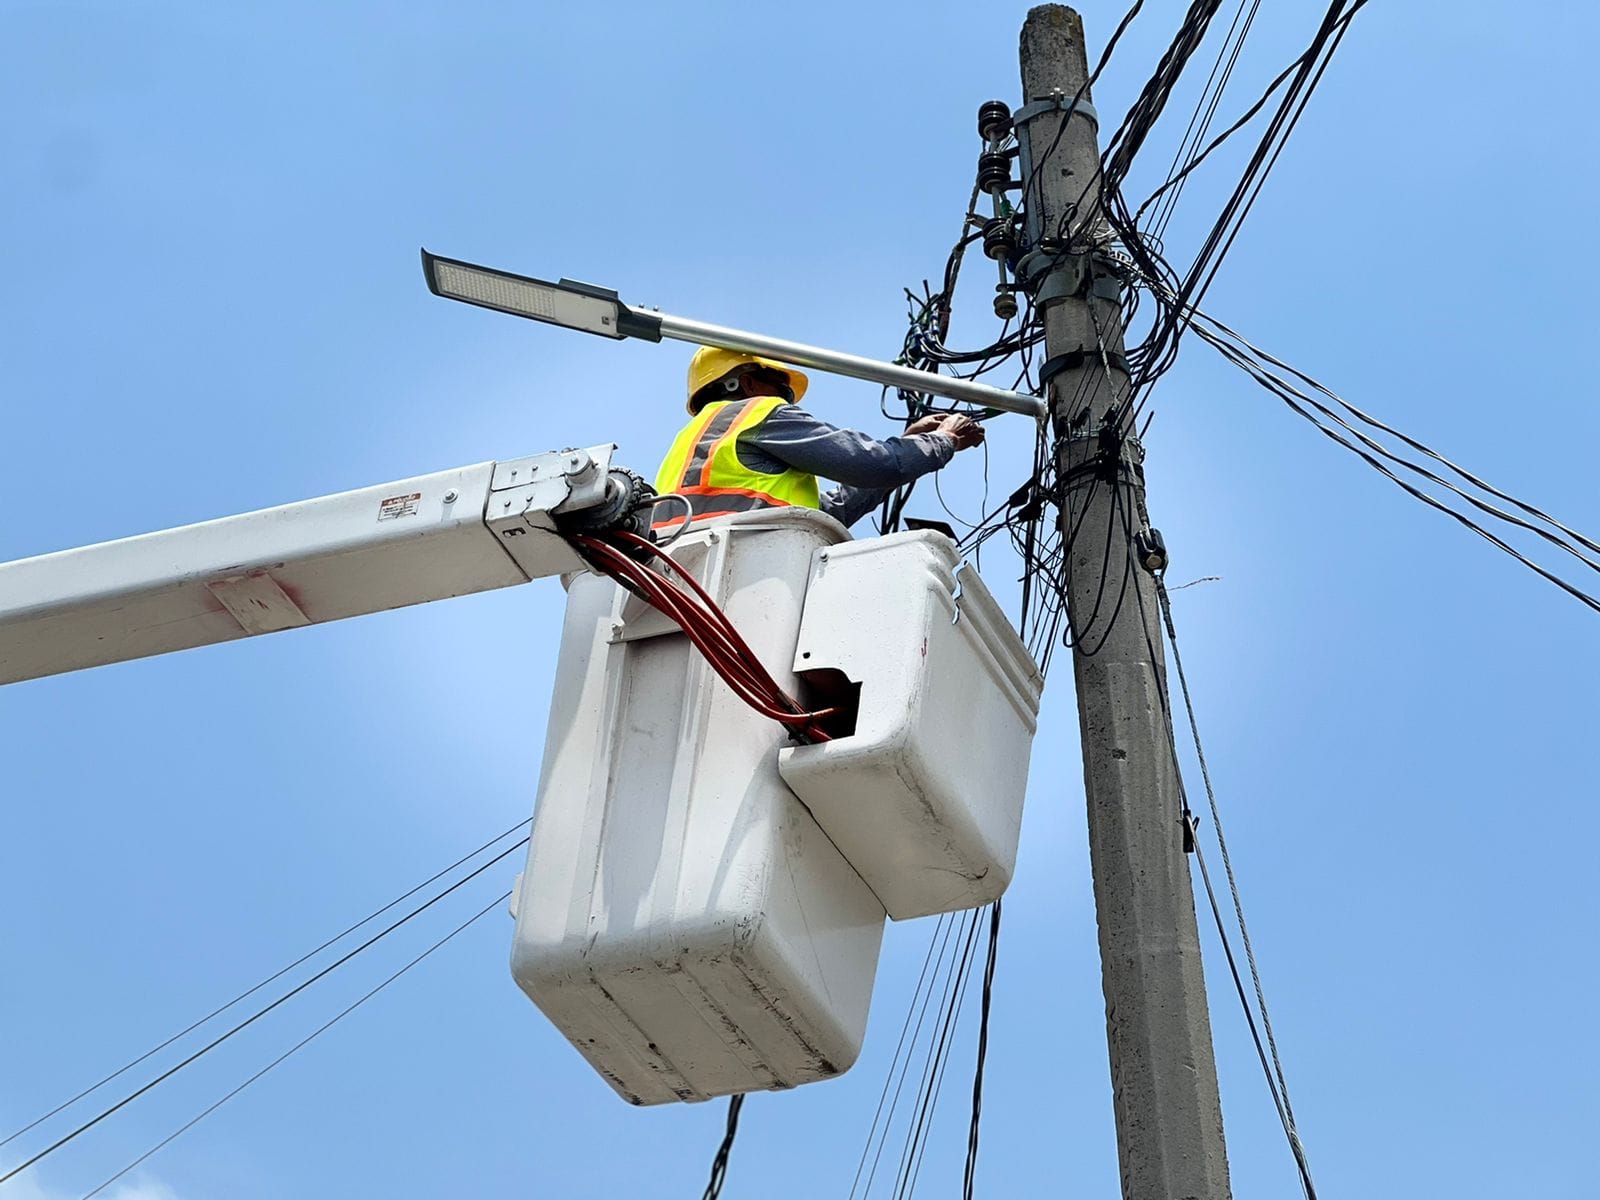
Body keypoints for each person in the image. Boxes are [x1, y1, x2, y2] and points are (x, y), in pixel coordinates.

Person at [654, 347, 984, 531]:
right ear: (748, 385)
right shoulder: (756, 412)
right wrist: (943, 440)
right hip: (752, 565)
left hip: (689, 581)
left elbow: (827, 512)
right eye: (781, 389)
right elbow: (872, 463)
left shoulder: (687, 447)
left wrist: (908, 439)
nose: (787, 402)